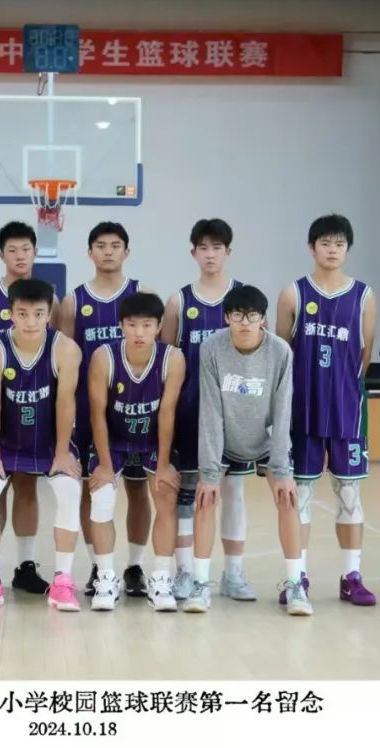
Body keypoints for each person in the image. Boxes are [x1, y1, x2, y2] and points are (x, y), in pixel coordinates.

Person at [275, 214, 378, 607]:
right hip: (302, 412)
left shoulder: (364, 296)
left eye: (339, 243)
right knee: (299, 496)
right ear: (311, 247)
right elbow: (282, 355)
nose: (332, 250)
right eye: (325, 243)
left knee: (349, 494)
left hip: (347, 412)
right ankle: (296, 578)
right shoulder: (293, 294)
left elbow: (364, 355)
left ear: (348, 249)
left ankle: (351, 576)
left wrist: (340, 389)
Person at [195, 285, 310, 615]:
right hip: (225, 438)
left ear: (263, 319)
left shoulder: (280, 352)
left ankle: (296, 585)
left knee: (288, 499)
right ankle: (200, 584)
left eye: (252, 316)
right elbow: (211, 411)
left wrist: (282, 469)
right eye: (238, 316)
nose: (245, 322)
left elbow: (283, 411)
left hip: (266, 439)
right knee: (206, 498)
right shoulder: (211, 348)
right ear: (227, 318)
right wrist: (209, 473)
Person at [0, 278, 84, 611]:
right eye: (22, 314)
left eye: (38, 314)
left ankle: (62, 582)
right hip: (5, 442)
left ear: (49, 314)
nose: (31, 321)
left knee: (69, 490)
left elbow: (65, 402)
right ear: (10, 314)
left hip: (48, 442)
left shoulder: (66, 349)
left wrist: (62, 452)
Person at [0, 222, 62, 596]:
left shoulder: (48, 299)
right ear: (1, 255)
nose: (20, 256)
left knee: (26, 486)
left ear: (36, 252)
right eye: (12, 250)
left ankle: (25, 565)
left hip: (36, 406)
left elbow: (57, 348)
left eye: (26, 249)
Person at [60, 222, 153, 599]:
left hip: (137, 410)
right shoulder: (74, 301)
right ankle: (100, 566)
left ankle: (135, 566)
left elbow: (158, 353)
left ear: (127, 252)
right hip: (89, 410)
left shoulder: (142, 294)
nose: (108, 251)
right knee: (92, 487)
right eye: (101, 245)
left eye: (116, 245)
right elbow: (64, 357)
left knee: (138, 487)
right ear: (90, 253)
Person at [161, 218, 250, 602]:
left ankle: (234, 573)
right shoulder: (179, 302)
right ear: (193, 252)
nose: (210, 254)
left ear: (228, 252)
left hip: (235, 416)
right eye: (203, 247)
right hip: (191, 414)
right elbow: (167, 360)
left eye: (217, 247)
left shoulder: (244, 298)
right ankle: (185, 572)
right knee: (188, 494)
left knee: (233, 491)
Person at [85, 293, 185, 611]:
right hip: (114, 439)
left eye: (147, 325)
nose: (139, 332)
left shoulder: (173, 358)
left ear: (159, 326)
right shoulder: (104, 357)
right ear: (121, 326)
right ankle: (105, 577)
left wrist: (164, 464)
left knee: (165, 495)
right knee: (102, 496)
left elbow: (167, 412)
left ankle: (159, 578)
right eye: (132, 325)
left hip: (153, 441)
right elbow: (97, 414)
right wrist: (103, 464)